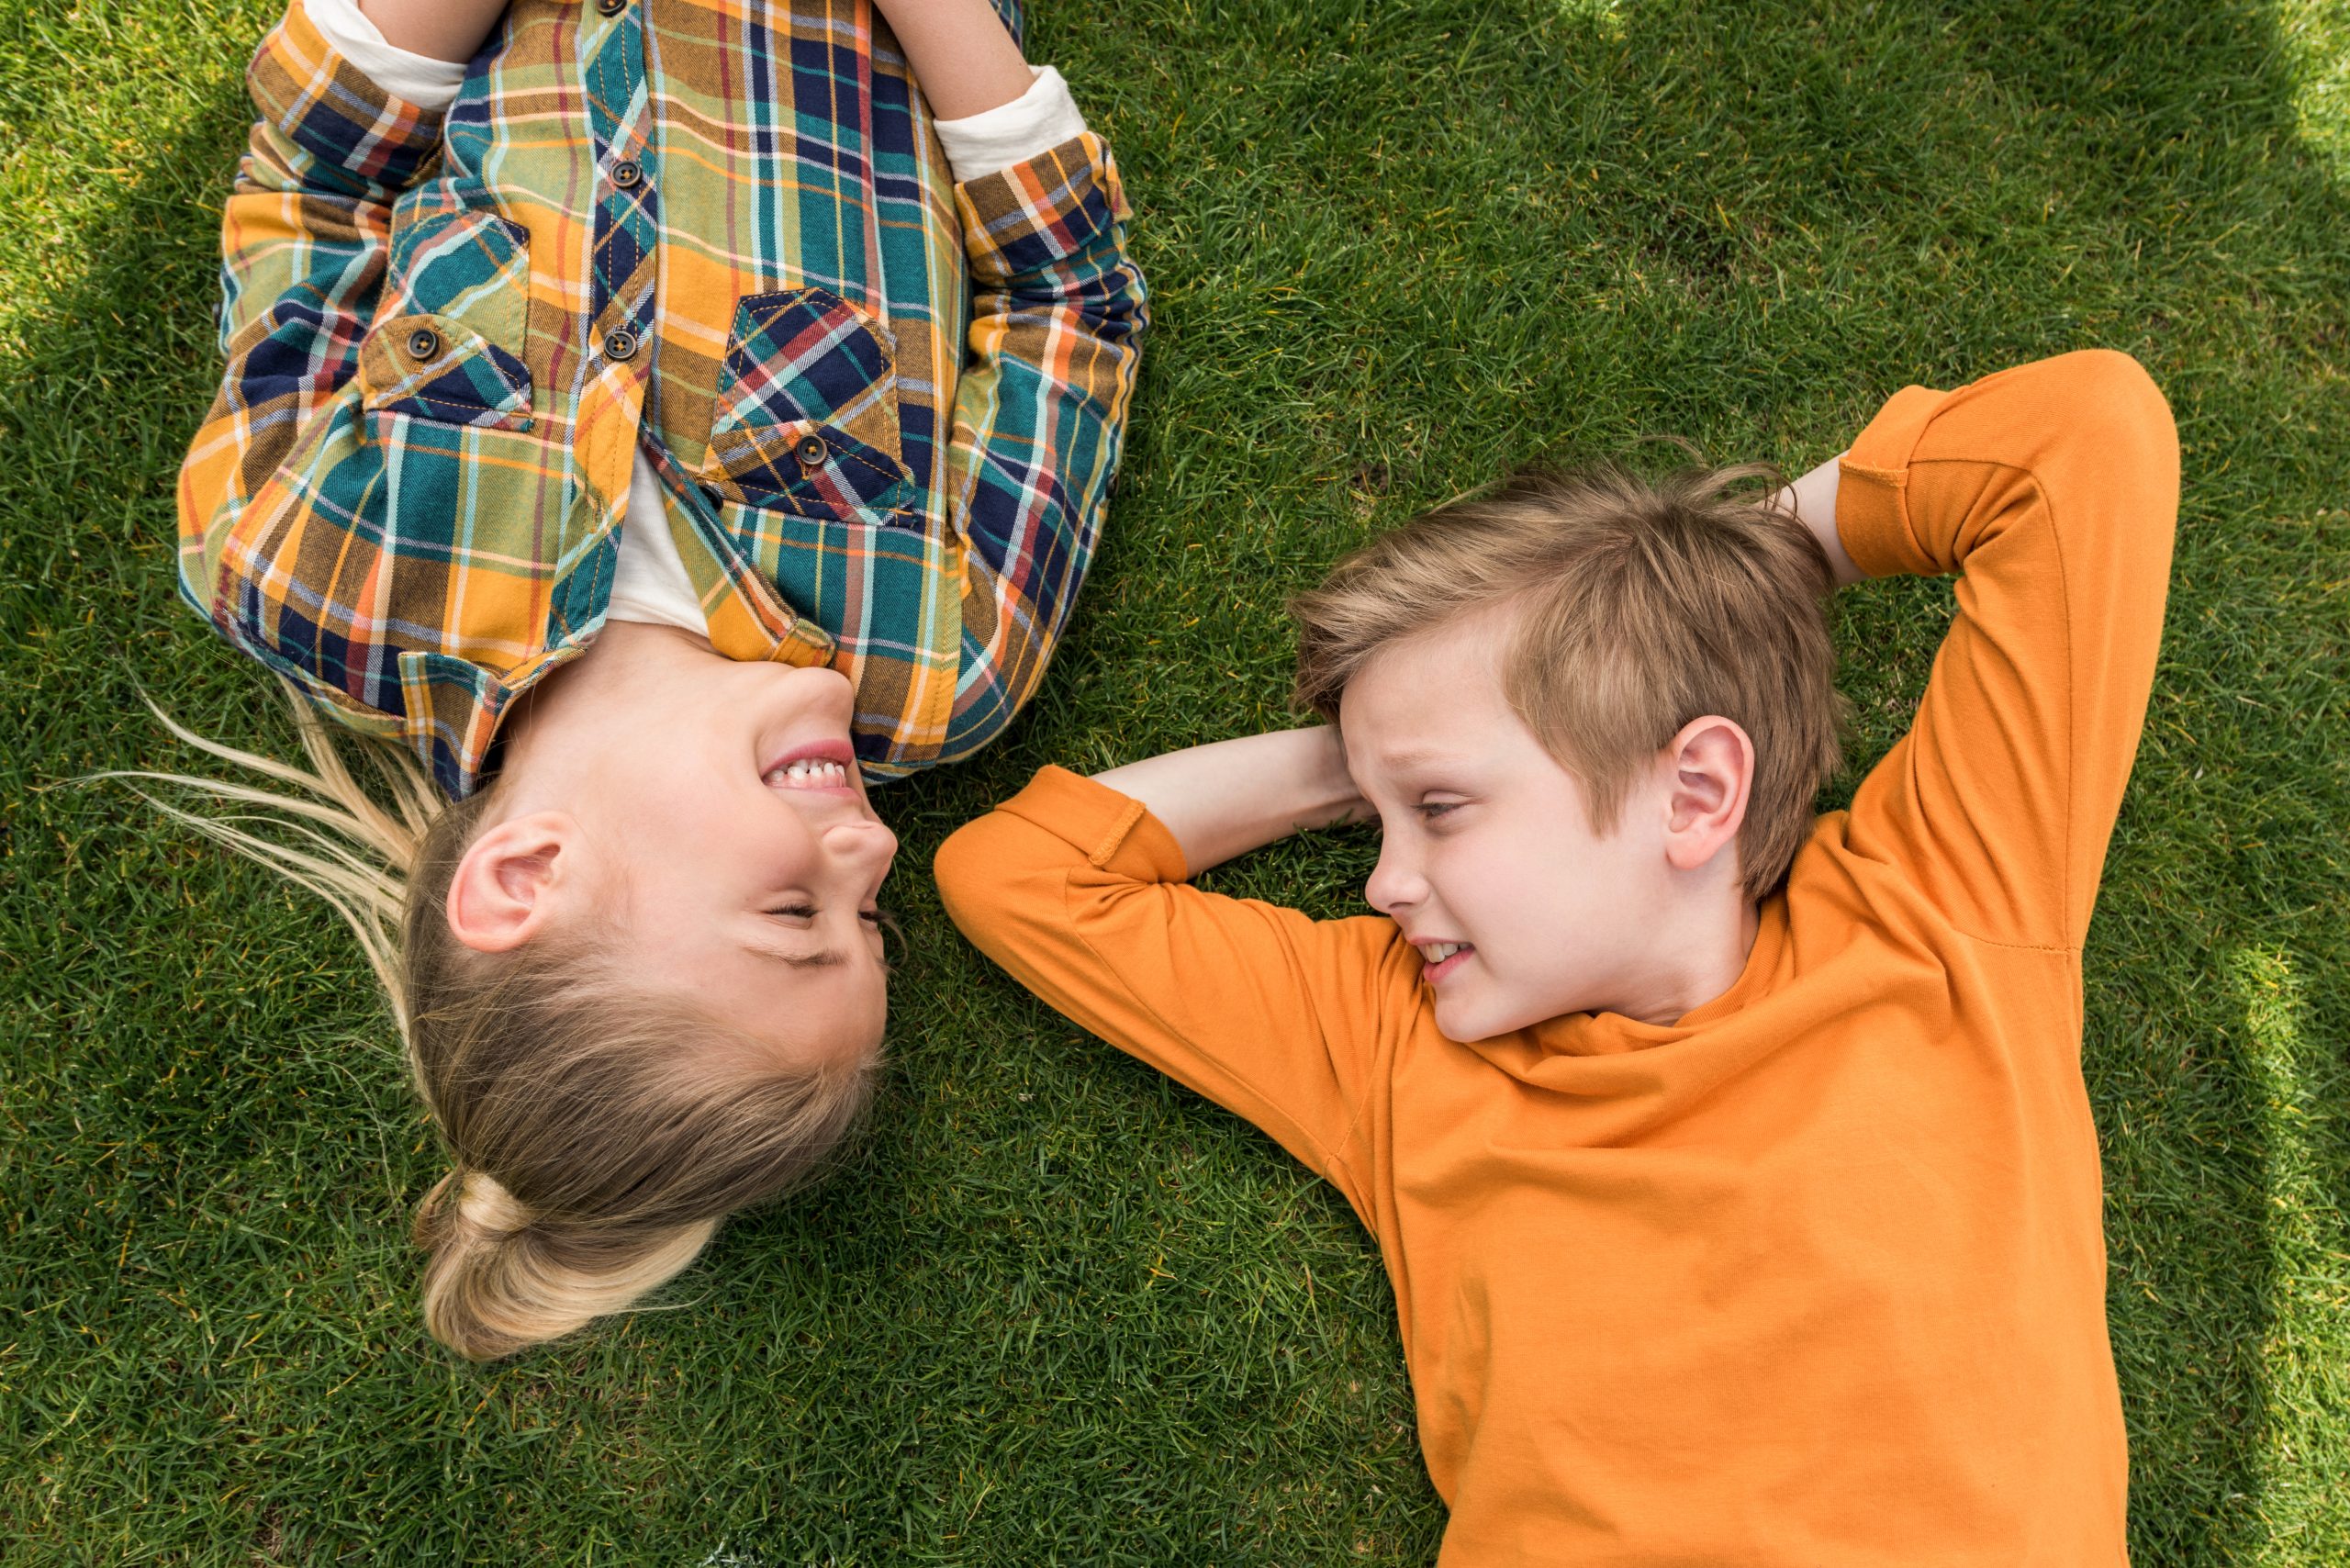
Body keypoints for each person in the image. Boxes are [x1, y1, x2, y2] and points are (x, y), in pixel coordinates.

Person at [937, 351, 2177, 1562]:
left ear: (1695, 793)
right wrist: (1365, 759)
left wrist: (1745, 572)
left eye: (1441, 810)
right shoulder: (1389, 1035)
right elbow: (1022, 881)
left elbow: (2078, 437)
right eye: (1380, 820)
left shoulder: (1940, 907)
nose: (1383, 882)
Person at [160, 0, 1145, 1360]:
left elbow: (313, 184)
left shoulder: (302, 571)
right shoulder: (933, 665)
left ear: (527, 879)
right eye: (876, 921)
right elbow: (1072, 308)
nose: (868, 848)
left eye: (799, 910)